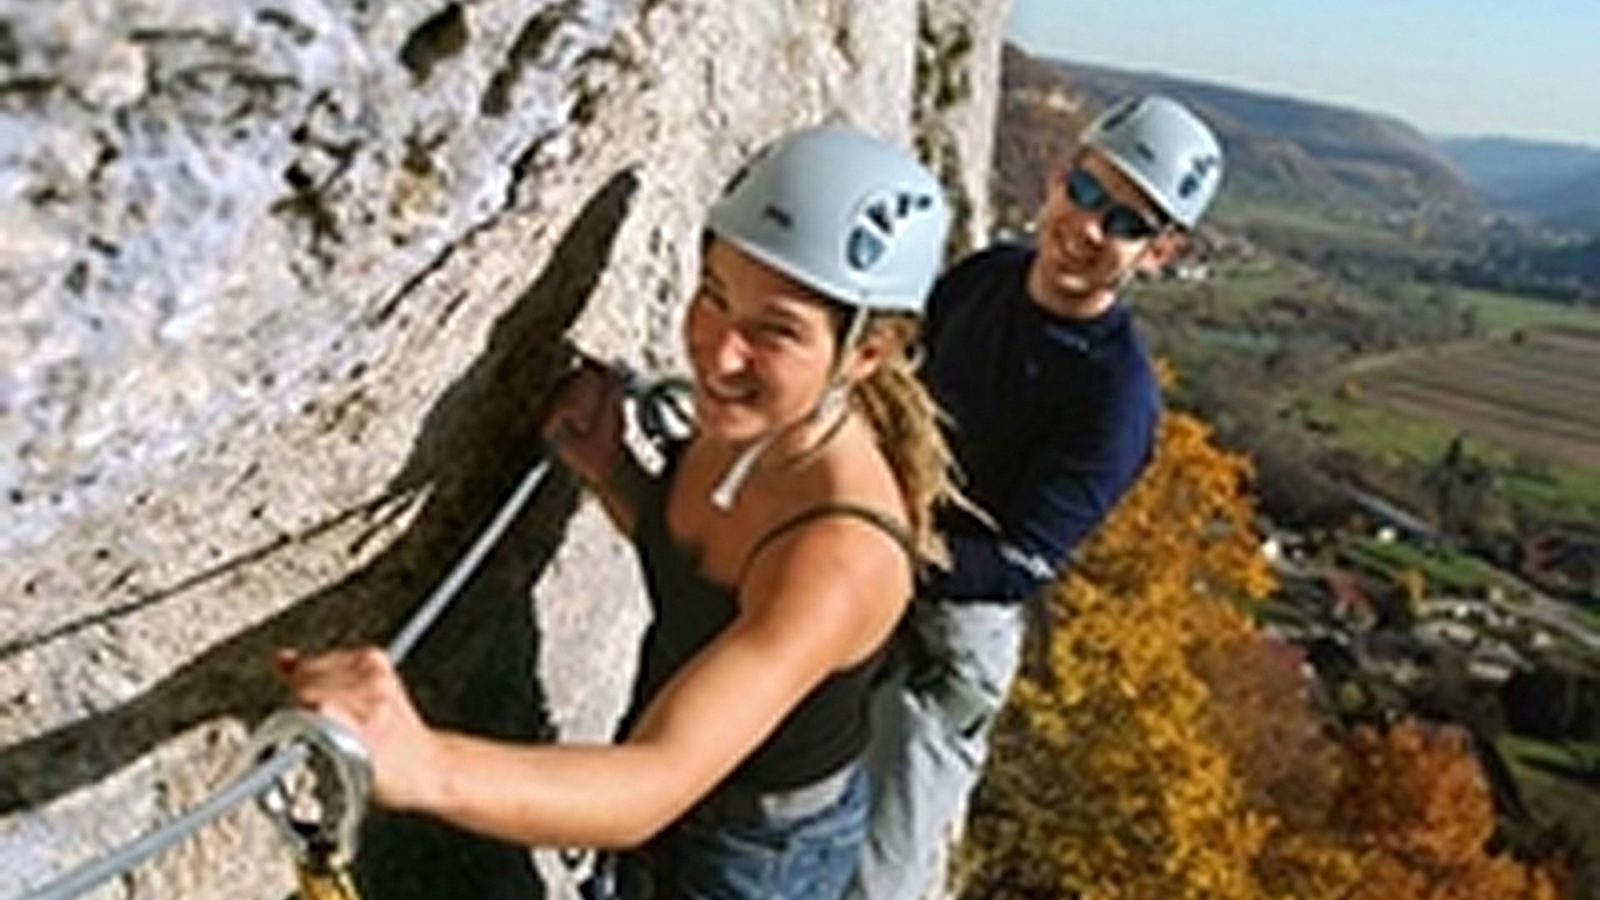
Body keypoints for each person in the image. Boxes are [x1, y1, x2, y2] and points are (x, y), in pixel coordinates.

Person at [275, 123, 961, 900]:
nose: (718, 352)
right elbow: (702, 582)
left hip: (760, 856)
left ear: (866, 354)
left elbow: (651, 784)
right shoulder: (758, 420)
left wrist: (422, 762)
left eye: (776, 332)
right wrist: (615, 472)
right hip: (690, 791)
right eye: (714, 295)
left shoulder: (840, 557)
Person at [846, 94, 1227, 900]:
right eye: (1087, 192)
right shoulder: (984, 278)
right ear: (1058, 178)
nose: (1088, 228)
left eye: (1126, 223)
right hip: (870, 551)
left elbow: (1016, 563)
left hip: (949, 629)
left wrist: (877, 546)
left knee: (875, 879)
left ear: (1158, 253)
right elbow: (892, 392)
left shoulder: (1115, 399)